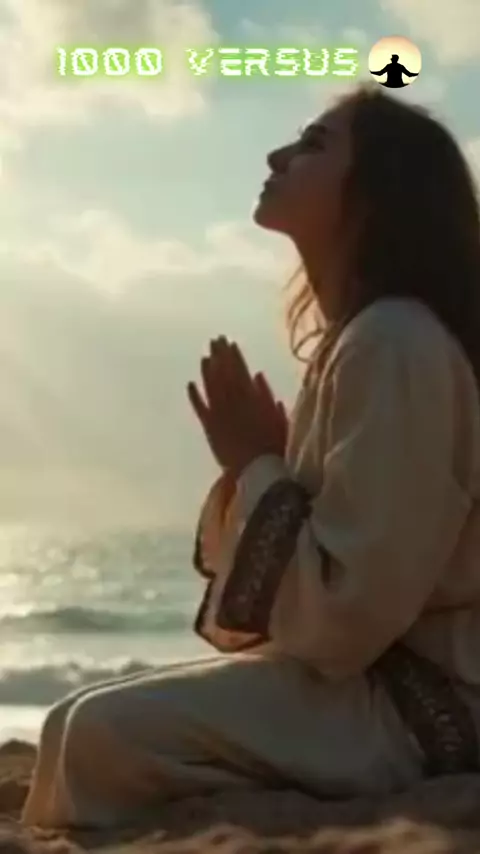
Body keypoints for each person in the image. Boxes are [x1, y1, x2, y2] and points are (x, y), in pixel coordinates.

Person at [22, 82, 480, 830]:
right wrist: (263, 468)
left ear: (374, 193)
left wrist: (256, 465)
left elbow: (349, 616)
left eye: (313, 144)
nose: (276, 155)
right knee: (71, 720)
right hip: (371, 685)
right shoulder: (364, 339)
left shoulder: (396, 341)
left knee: (96, 735)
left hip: (427, 708)